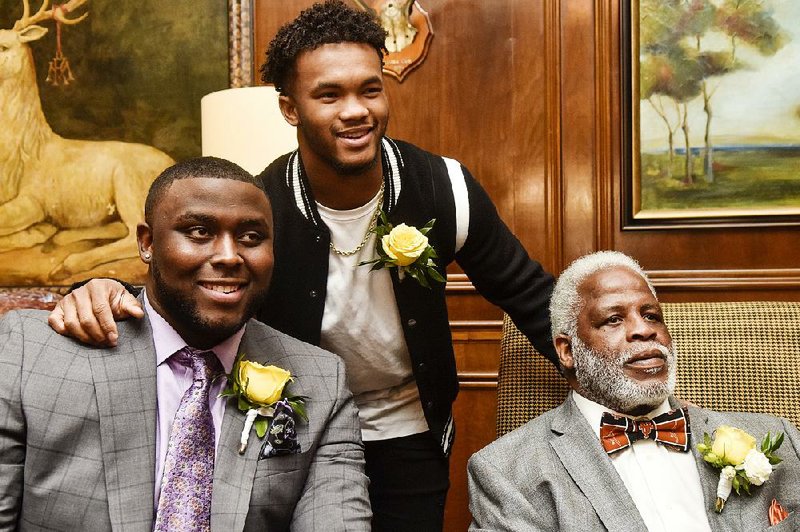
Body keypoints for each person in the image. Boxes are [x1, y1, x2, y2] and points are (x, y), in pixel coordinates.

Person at [46, 1, 556, 529]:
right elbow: (188, 295)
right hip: (293, 424)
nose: (355, 110)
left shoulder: (443, 187)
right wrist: (96, 286)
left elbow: (530, 296)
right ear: (290, 109)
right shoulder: (259, 209)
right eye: (329, 95)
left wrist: (625, 384)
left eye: (369, 89)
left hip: (411, 430)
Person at [0, 157, 370, 531]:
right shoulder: (30, 352)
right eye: (198, 232)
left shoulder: (321, 381)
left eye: (251, 238)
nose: (229, 255)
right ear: (147, 243)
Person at [467, 251, 800, 531]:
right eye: (613, 319)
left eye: (651, 315)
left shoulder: (778, 438)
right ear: (568, 351)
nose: (644, 330)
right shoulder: (507, 473)